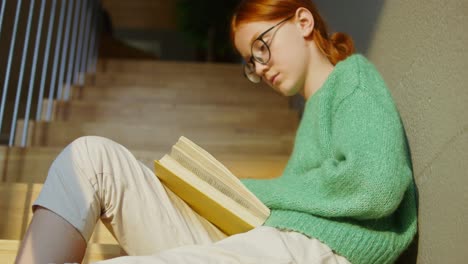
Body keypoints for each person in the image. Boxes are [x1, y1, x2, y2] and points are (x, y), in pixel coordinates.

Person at [15, 0, 417, 263]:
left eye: (261, 47)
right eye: (250, 61)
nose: (259, 68)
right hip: (266, 241)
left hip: (318, 251)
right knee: (90, 158)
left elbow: (377, 185)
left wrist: (250, 191)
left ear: (303, 21)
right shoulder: (314, 112)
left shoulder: (353, 80)